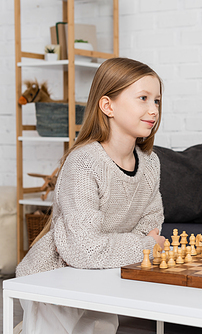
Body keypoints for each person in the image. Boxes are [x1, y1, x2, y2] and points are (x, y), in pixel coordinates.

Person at [16, 57, 166, 333]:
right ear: (108, 105)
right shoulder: (84, 162)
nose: (153, 109)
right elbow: (86, 249)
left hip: (104, 274)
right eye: (143, 98)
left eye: (156, 100)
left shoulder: (150, 163)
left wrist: (113, 246)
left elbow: (151, 224)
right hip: (54, 278)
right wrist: (147, 246)